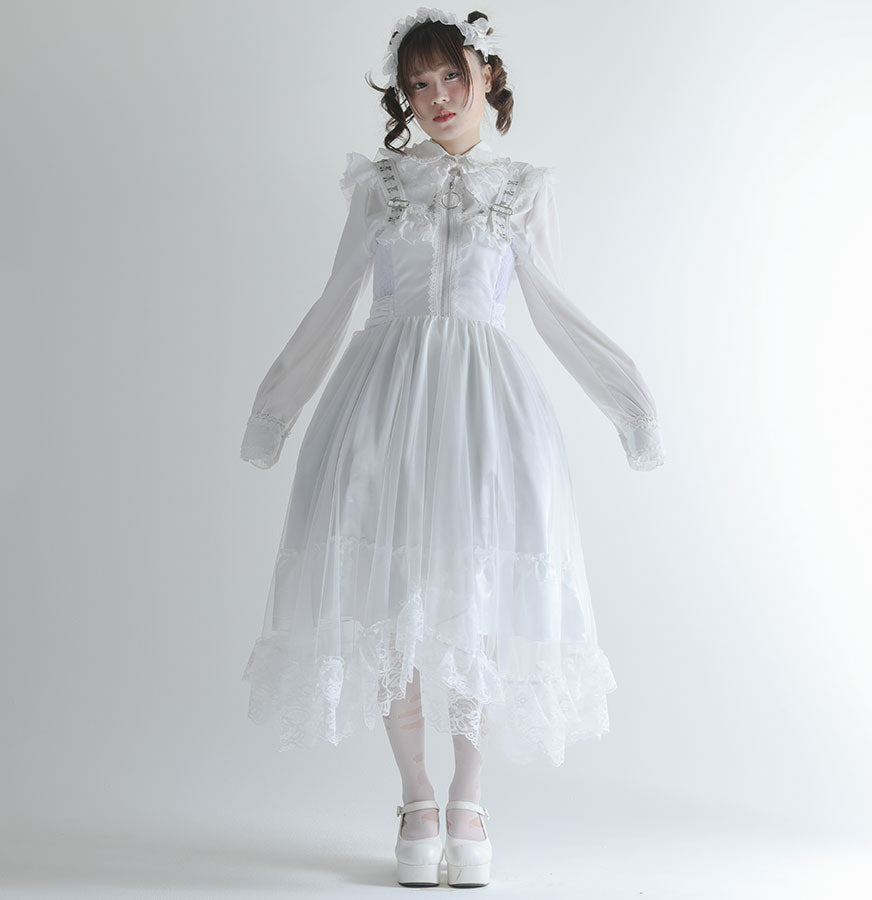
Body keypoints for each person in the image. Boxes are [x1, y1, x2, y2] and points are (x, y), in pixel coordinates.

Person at [238, 6, 665, 888]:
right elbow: (335, 302)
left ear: (485, 75)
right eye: (417, 84)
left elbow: (553, 309)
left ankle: (469, 798)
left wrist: (631, 406)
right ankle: (417, 797)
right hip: (382, 405)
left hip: (483, 414)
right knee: (391, 602)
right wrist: (274, 410)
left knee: (473, 601)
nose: (435, 96)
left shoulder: (524, 189)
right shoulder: (381, 187)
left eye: (450, 77)